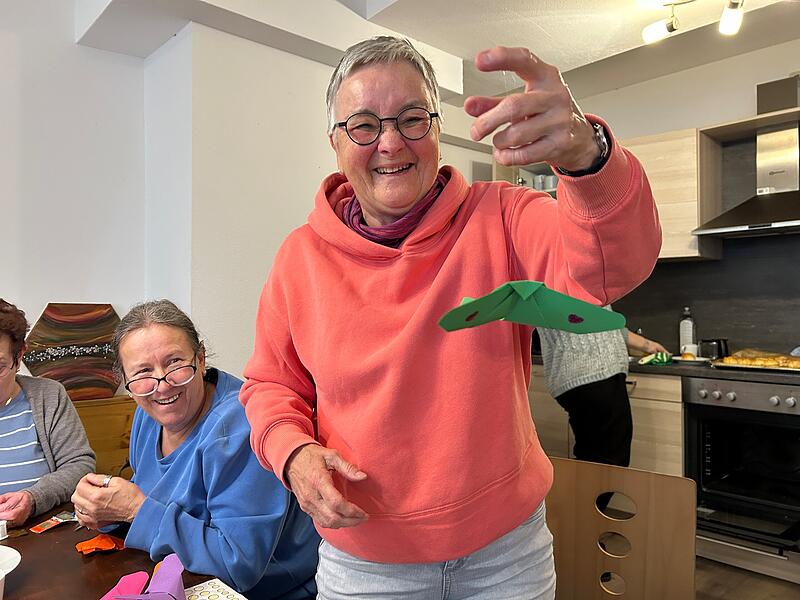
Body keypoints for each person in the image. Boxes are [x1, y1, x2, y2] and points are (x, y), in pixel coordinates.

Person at [241, 36, 661, 599]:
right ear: (336, 143)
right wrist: (291, 454)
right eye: (364, 125)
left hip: (506, 558)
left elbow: (609, 270)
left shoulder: (504, 217)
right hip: (365, 564)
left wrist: (589, 158)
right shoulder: (299, 258)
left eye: (412, 119)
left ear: (437, 129)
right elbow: (271, 384)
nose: (390, 142)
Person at [71, 300, 319, 599]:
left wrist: (135, 510)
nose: (161, 385)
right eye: (143, 371)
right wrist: (108, 510)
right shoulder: (148, 415)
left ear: (201, 359)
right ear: (125, 380)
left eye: (175, 362)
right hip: (183, 576)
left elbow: (239, 564)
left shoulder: (240, 427)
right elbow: (157, 497)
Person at [0, 299, 95, 526]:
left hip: (39, 535)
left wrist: (33, 499)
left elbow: (79, 465)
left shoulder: (48, 396)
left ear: (19, 355)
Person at [537, 325, 668, 470]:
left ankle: (573, 491)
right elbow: (600, 319)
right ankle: (569, 492)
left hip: (578, 373)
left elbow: (608, 322)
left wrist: (647, 345)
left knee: (593, 458)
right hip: (595, 370)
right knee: (609, 465)